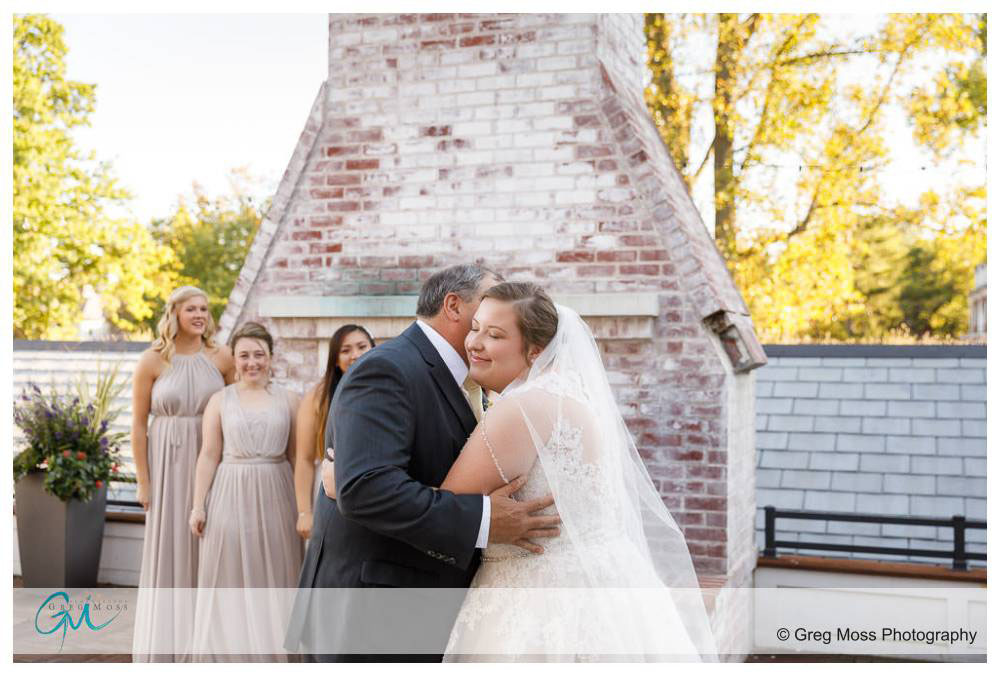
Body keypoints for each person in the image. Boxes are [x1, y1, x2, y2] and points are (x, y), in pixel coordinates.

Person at [286, 264, 561, 662]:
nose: (499, 312)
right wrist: (484, 520)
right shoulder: (389, 369)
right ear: (453, 306)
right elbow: (365, 489)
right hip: (373, 612)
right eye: (488, 304)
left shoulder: (476, 381)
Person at [439, 282, 718, 662]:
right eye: (476, 328)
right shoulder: (577, 401)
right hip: (611, 592)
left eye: (495, 335)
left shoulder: (521, 409)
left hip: (534, 600)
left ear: (536, 351)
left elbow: (446, 506)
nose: (474, 342)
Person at [188, 321, 302, 661]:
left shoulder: (291, 400)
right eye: (244, 356)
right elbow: (208, 455)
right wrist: (198, 506)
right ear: (234, 359)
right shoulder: (219, 400)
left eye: (259, 354)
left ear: (270, 357)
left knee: (277, 577)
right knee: (229, 576)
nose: (252, 362)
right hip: (229, 493)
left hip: (277, 493)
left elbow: (298, 457)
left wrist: (304, 508)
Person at [131, 285, 233, 662]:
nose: (200, 315)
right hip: (166, 465)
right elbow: (138, 426)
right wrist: (144, 481)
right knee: (169, 546)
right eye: (192, 308)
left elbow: (237, 410)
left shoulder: (222, 357)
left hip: (211, 458)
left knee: (206, 540)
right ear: (173, 313)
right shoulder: (153, 360)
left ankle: (206, 642)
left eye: (204, 308)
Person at [293, 325, 375, 540]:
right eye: (345, 350)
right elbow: (304, 459)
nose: (355, 354)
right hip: (329, 489)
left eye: (361, 346)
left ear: (373, 349)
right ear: (335, 358)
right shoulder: (317, 397)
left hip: (374, 486)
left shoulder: (385, 389)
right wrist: (304, 512)